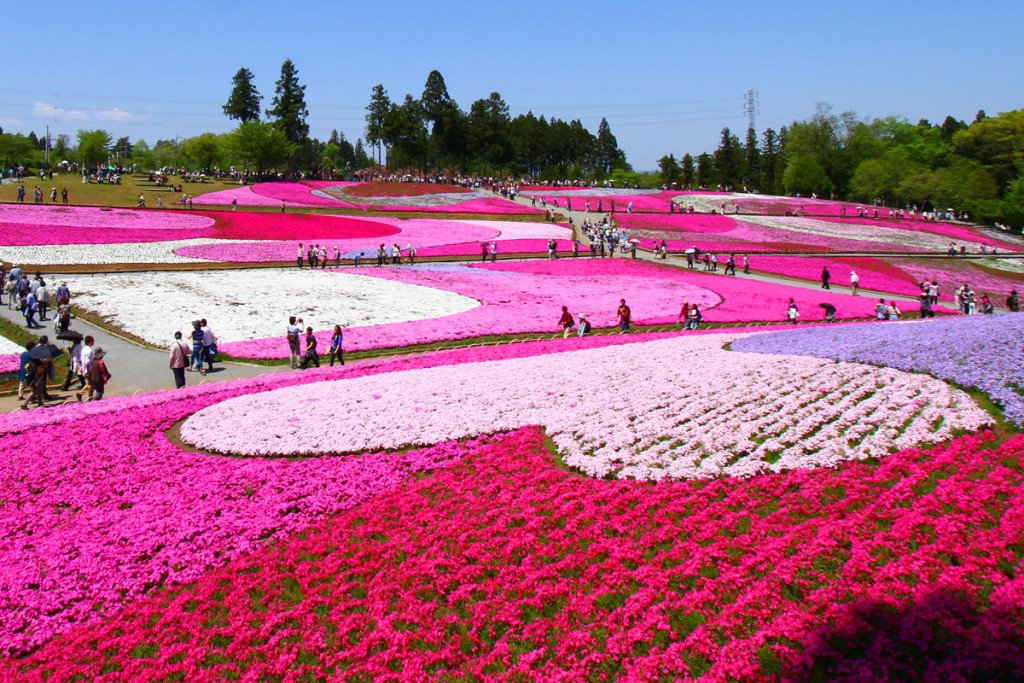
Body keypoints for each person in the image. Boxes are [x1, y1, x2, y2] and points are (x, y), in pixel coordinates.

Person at [75, 336, 95, 401]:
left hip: (84, 369)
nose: (93, 342)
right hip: (88, 369)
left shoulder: (83, 349)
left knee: (90, 383)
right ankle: (89, 398)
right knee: (91, 384)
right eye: (92, 341)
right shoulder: (89, 350)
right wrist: (88, 370)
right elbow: (87, 362)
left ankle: (80, 394)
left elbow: (81, 359)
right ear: (89, 342)